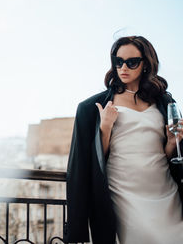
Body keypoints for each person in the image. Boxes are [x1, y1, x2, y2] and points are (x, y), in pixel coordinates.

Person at [64, 36, 183, 244]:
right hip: (123, 193)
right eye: (118, 61)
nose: (123, 67)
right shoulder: (92, 106)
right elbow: (91, 159)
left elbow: (165, 151)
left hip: (164, 190)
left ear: (145, 64)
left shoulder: (165, 101)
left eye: (131, 62)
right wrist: (105, 127)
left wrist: (172, 143)